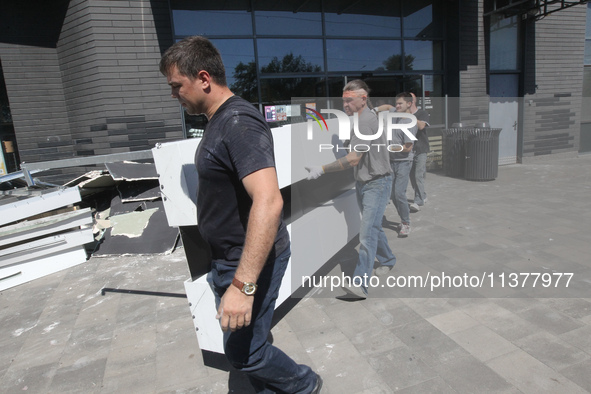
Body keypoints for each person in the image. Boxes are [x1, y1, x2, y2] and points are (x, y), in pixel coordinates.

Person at [160, 36, 322, 394]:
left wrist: (242, 286)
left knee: (244, 354)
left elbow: (269, 201)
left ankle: (305, 384)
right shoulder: (217, 120)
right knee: (248, 340)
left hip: (246, 264)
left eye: (176, 86)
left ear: (204, 78)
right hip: (229, 260)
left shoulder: (238, 122)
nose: (174, 95)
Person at [305, 80, 396, 299]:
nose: (344, 104)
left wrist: (322, 169)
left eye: (349, 100)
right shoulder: (366, 115)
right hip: (365, 182)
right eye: (343, 100)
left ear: (362, 99)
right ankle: (388, 259)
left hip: (377, 182)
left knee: (366, 234)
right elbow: (379, 109)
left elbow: (354, 158)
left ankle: (360, 284)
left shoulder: (364, 122)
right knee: (373, 226)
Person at [378, 93, 418, 237]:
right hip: (391, 161)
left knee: (399, 193)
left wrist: (389, 148)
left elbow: (408, 148)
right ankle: (403, 219)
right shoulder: (395, 112)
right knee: (392, 195)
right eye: (397, 103)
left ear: (409, 104)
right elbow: (387, 107)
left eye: (400, 103)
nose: (397, 106)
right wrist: (374, 110)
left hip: (403, 162)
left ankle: (406, 223)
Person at [408, 92, 430, 212]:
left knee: (418, 175)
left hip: (421, 149)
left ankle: (418, 200)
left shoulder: (422, 113)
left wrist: (410, 117)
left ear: (412, 102)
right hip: (409, 151)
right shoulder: (403, 115)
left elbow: (421, 126)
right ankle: (423, 195)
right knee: (412, 177)